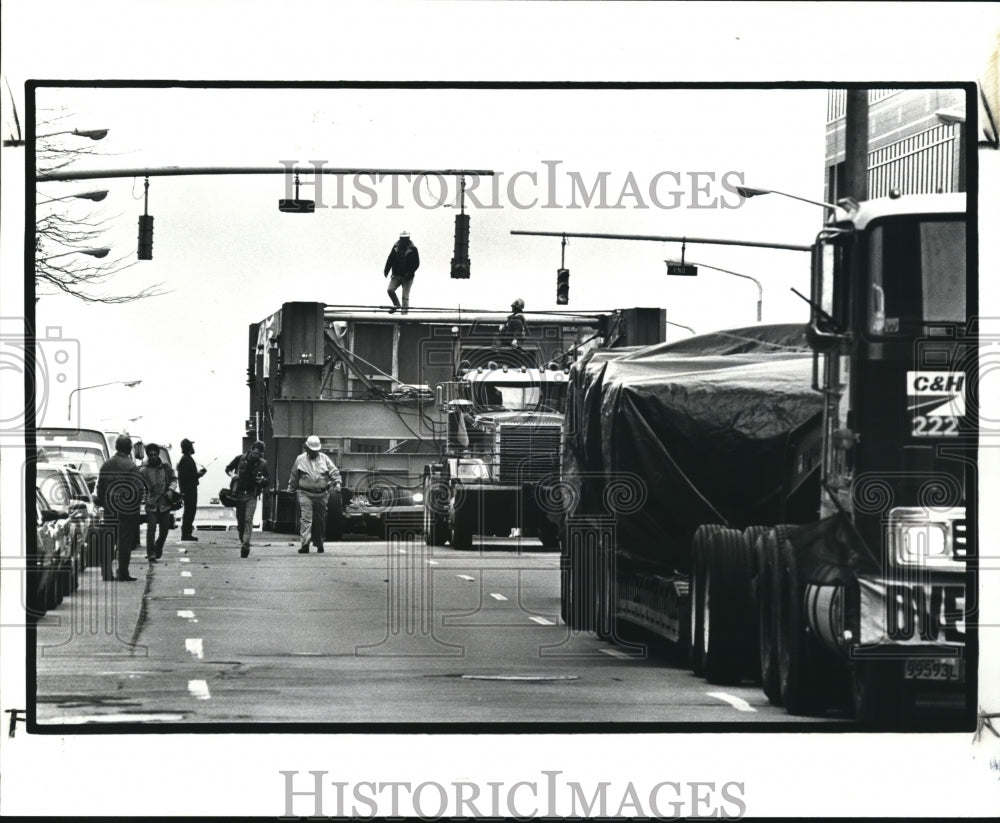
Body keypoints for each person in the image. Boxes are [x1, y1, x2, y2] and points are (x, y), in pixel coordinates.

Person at [94, 434, 144, 581]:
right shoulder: (131, 466)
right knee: (125, 541)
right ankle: (122, 572)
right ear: (129, 449)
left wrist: (104, 502)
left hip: (110, 507)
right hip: (127, 510)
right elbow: (137, 489)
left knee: (109, 539)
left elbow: (100, 487)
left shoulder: (107, 465)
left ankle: (107, 573)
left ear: (116, 447)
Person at [287, 435, 341, 554]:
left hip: (321, 494)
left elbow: (334, 472)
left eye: (316, 451)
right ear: (307, 448)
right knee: (306, 519)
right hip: (305, 493)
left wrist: (337, 483)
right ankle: (305, 544)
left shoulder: (324, 459)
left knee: (320, 519)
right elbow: (294, 476)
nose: (314, 453)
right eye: (312, 450)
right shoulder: (300, 459)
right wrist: (291, 490)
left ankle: (319, 543)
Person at [225, 440, 269, 558]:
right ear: (251, 450)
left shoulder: (263, 464)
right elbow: (228, 468)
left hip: (252, 495)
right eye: (255, 453)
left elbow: (267, 480)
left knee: (248, 519)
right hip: (238, 494)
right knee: (240, 521)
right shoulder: (239, 459)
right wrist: (232, 475)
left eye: (259, 454)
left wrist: (262, 481)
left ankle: (246, 545)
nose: (256, 456)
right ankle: (242, 540)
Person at [139, 443, 178, 562]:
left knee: (164, 531)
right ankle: (151, 553)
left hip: (165, 503)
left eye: (155, 454)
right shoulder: (143, 469)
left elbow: (173, 479)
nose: (153, 457)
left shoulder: (165, 466)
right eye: (150, 454)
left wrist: (171, 490)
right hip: (151, 504)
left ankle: (158, 546)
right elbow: (139, 485)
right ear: (147, 455)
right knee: (151, 529)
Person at [176, 438, 207, 541]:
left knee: (189, 511)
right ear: (189, 447)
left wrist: (197, 474)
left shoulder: (186, 458)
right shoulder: (186, 459)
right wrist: (199, 474)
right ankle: (186, 534)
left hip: (188, 489)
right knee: (189, 511)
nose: (193, 447)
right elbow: (188, 476)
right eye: (192, 446)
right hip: (189, 490)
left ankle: (187, 533)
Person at [383, 231, 420, 314]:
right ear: (400, 239)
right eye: (402, 239)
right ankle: (397, 305)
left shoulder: (413, 249)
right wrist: (386, 270)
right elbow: (390, 259)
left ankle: (404, 316)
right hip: (397, 275)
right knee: (390, 290)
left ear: (408, 239)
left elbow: (416, 263)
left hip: (407, 277)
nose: (404, 240)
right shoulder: (395, 247)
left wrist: (410, 273)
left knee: (405, 297)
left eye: (405, 239)